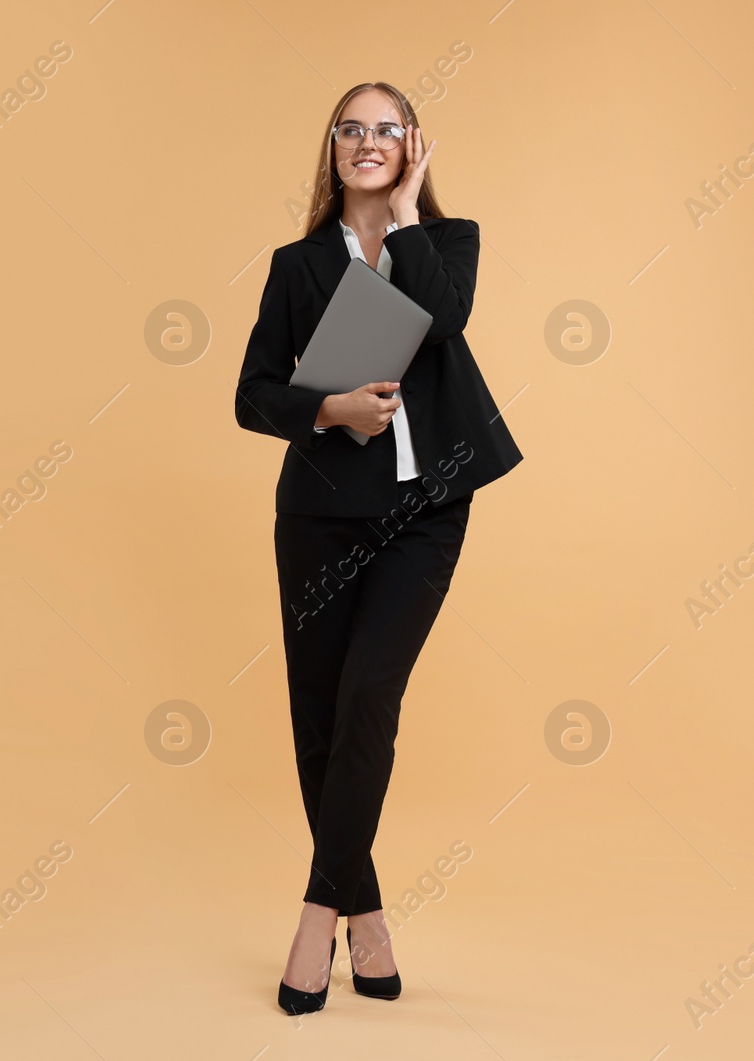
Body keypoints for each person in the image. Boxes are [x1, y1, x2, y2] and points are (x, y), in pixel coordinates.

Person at [233, 82, 522, 1014]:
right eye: (350, 129)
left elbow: (443, 320)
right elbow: (252, 394)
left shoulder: (448, 241)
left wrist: (403, 222)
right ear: (332, 147)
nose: (366, 141)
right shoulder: (294, 264)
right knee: (318, 716)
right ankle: (368, 914)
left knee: (369, 696)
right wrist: (328, 408)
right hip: (319, 511)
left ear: (412, 147)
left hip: (425, 511)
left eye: (384, 129)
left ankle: (318, 912)